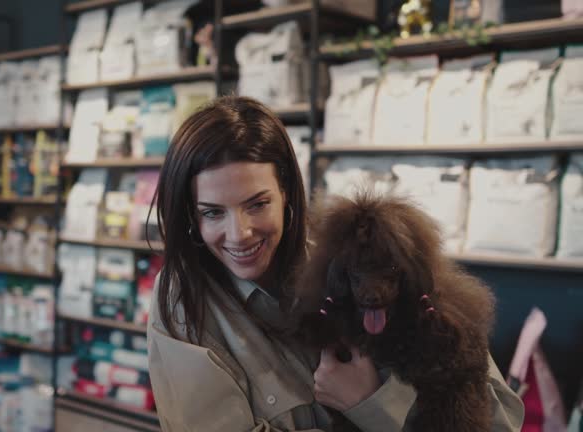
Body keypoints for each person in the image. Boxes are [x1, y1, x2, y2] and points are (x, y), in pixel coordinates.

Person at [146, 96, 524, 431]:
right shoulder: (183, 303)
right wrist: (374, 410)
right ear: (191, 218)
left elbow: (500, 420)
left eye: (257, 204)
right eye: (212, 213)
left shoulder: (364, 255)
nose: (239, 233)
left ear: (286, 194)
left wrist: (373, 402)